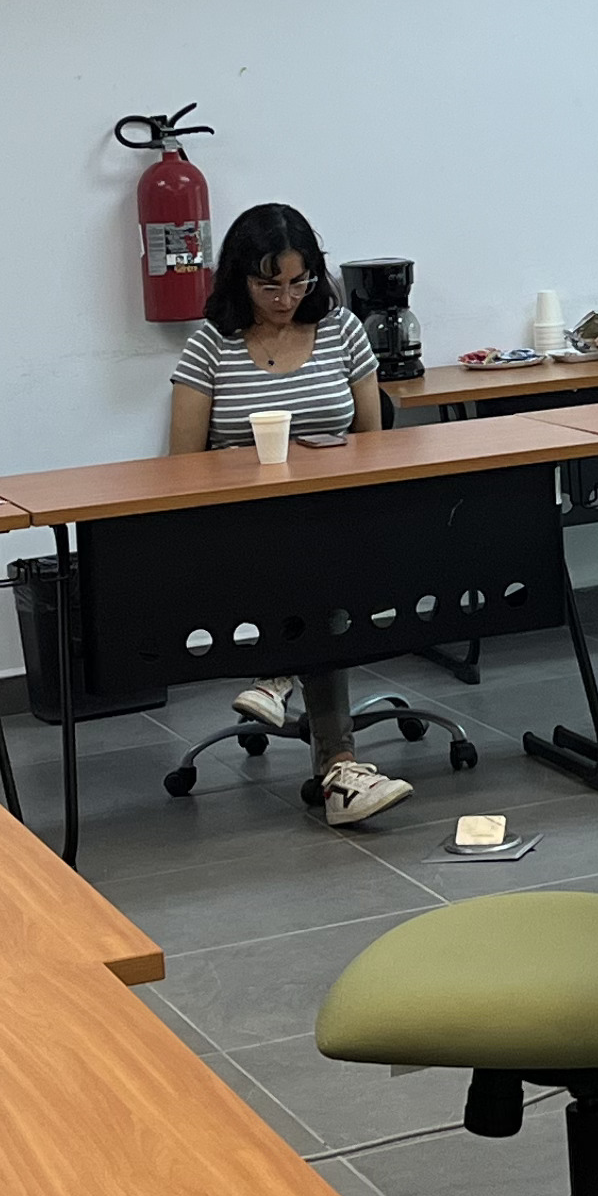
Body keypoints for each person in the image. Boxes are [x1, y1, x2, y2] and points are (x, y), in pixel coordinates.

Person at [168, 202, 410, 828]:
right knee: (313, 583)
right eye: (268, 285)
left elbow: (373, 445)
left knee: (318, 566)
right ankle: (341, 769)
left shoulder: (342, 331)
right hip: (245, 526)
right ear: (240, 279)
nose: (285, 299)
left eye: (299, 283)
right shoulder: (211, 346)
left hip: (333, 518)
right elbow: (181, 467)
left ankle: (277, 678)